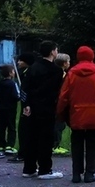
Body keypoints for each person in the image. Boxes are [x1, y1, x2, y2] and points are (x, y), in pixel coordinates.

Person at [56, 46, 95, 184]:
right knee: (92, 145)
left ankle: (76, 174)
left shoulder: (71, 74)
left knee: (76, 145)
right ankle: (89, 173)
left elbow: (63, 97)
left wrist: (60, 114)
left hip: (76, 116)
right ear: (92, 56)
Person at [20, 41, 65, 179]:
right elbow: (59, 91)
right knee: (45, 138)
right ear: (52, 52)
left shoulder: (33, 68)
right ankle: (45, 169)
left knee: (31, 137)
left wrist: (26, 104)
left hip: (32, 107)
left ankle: (29, 168)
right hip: (47, 107)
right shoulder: (57, 71)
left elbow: (25, 88)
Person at [0, 64, 20, 155]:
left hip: (1, 108)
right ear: (10, 73)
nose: (14, 73)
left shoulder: (0, 83)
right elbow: (16, 96)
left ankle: (1, 145)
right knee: (11, 127)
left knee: (1, 127)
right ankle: (9, 146)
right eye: (13, 71)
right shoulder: (13, 84)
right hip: (11, 109)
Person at [52, 52, 71, 155]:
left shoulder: (52, 72)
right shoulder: (62, 75)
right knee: (59, 125)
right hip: (58, 102)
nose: (69, 63)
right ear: (64, 63)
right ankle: (55, 145)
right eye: (68, 61)